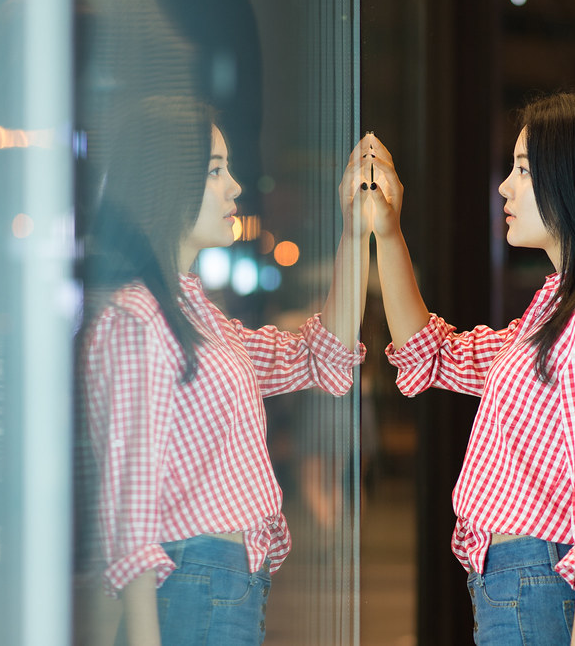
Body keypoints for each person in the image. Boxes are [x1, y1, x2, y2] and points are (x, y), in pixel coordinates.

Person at [367, 92, 575, 645]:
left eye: (523, 169)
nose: (505, 186)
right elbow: (434, 354)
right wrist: (388, 231)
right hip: (525, 586)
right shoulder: (558, 310)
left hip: (544, 587)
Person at [78, 95, 372, 646]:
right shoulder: (137, 318)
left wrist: (355, 234)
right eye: (215, 171)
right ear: (166, 182)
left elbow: (318, 355)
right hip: (192, 582)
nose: (235, 186)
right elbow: (130, 506)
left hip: (218, 584)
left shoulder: (192, 313)